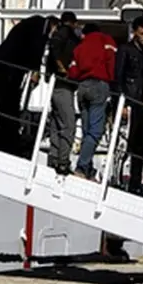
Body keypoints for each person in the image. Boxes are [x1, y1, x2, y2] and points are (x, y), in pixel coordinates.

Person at [0, 14, 54, 156]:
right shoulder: (40, 27)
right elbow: (36, 49)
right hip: (8, 66)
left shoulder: (33, 24)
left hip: (9, 65)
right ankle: (7, 138)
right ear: (53, 24)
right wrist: (36, 71)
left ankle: (7, 135)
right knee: (9, 101)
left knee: (9, 101)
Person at [69, 23, 117, 179]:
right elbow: (112, 62)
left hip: (82, 87)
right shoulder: (106, 41)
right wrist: (112, 84)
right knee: (95, 132)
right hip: (99, 85)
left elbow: (73, 71)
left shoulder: (79, 47)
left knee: (86, 130)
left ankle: (87, 168)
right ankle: (82, 168)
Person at [114, 16, 143, 195]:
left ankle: (135, 181)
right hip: (130, 100)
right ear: (135, 33)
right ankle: (118, 176)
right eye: (142, 33)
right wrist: (120, 103)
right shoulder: (125, 49)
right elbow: (118, 76)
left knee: (140, 144)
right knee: (126, 143)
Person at [45, 11, 80, 175]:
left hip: (55, 85)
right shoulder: (66, 34)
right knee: (69, 124)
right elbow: (55, 47)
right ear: (73, 23)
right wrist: (62, 68)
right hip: (64, 84)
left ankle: (53, 156)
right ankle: (63, 161)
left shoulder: (60, 33)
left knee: (57, 122)